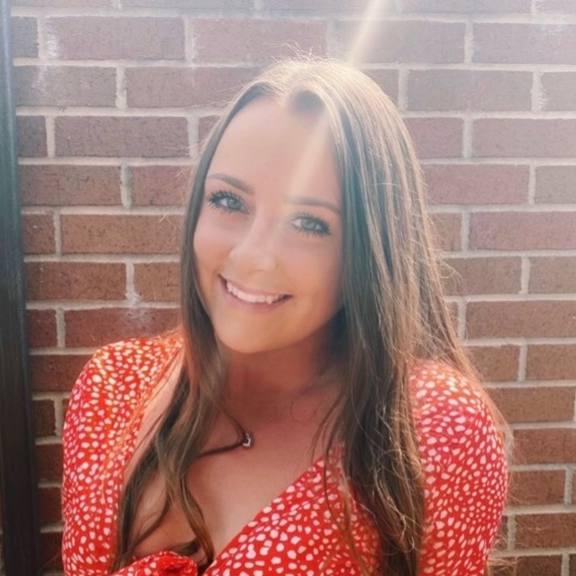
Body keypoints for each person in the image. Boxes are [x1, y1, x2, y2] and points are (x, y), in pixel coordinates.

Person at [61, 57, 511, 576]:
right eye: (228, 200)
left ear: (371, 251)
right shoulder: (112, 387)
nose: (253, 255)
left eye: (308, 223)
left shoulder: (432, 431)